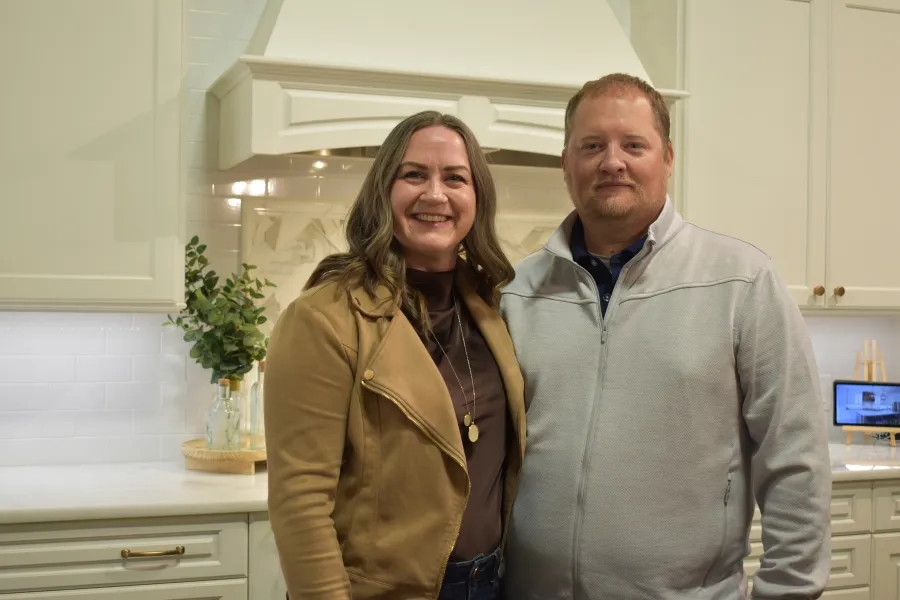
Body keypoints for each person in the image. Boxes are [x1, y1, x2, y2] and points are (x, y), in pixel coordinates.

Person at [498, 73, 832, 599]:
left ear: (667, 158)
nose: (612, 162)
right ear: (566, 163)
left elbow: (795, 460)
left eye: (634, 144)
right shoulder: (516, 292)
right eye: (591, 146)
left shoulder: (741, 281)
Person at [264, 110, 526, 600]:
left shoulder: (492, 305)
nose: (435, 194)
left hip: (494, 583)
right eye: (414, 175)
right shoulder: (325, 317)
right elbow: (299, 501)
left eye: (455, 178)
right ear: (384, 190)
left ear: (477, 198)